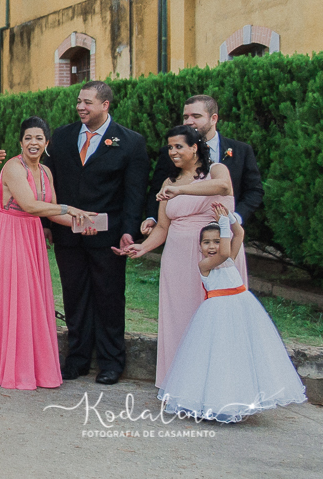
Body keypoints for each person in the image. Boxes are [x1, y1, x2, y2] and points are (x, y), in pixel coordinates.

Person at [117, 125, 242, 388]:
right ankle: (180, 384)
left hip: (212, 256)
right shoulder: (168, 182)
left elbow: (223, 186)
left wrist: (183, 191)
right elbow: (163, 227)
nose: (172, 152)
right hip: (177, 259)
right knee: (179, 317)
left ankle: (216, 386)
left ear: (195, 147)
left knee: (213, 318)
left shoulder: (216, 170)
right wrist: (142, 247)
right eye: (170, 147)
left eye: (179, 146)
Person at [47, 80, 149, 385]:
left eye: (87, 102)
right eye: (79, 101)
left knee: (109, 299)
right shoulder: (62, 137)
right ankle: (77, 360)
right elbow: (50, 185)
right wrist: (49, 224)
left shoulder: (130, 142)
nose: (80, 107)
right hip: (68, 235)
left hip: (108, 237)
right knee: (75, 297)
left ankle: (111, 363)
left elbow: (134, 194)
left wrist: (129, 232)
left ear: (105, 105)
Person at [158, 214, 305, 422]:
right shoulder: (205, 265)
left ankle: (238, 401)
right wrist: (223, 224)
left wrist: (230, 217)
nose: (212, 246)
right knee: (219, 357)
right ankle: (214, 402)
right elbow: (225, 252)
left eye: (217, 241)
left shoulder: (229, 261)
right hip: (217, 314)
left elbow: (240, 234)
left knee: (237, 356)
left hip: (241, 309)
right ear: (199, 246)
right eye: (206, 242)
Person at [0, 118, 89, 391]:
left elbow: (50, 212)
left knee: (33, 299)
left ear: (46, 143)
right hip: (12, 232)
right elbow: (30, 205)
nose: (33, 143)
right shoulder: (13, 168)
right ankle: (13, 367)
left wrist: (85, 223)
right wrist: (69, 208)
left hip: (33, 234)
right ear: (20, 142)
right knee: (15, 297)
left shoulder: (45, 171)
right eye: (28, 138)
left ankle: (35, 367)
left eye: (39, 138)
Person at [144, 94, 264, 225]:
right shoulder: (171, 152)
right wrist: (152, 218)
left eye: (196, 116)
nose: (189, 122)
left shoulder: (241, 150)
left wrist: (235, 218)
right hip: (183, 229)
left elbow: (254, 190)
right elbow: (157, 189)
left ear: (214, 119)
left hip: (226, 233)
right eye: (185, 117)